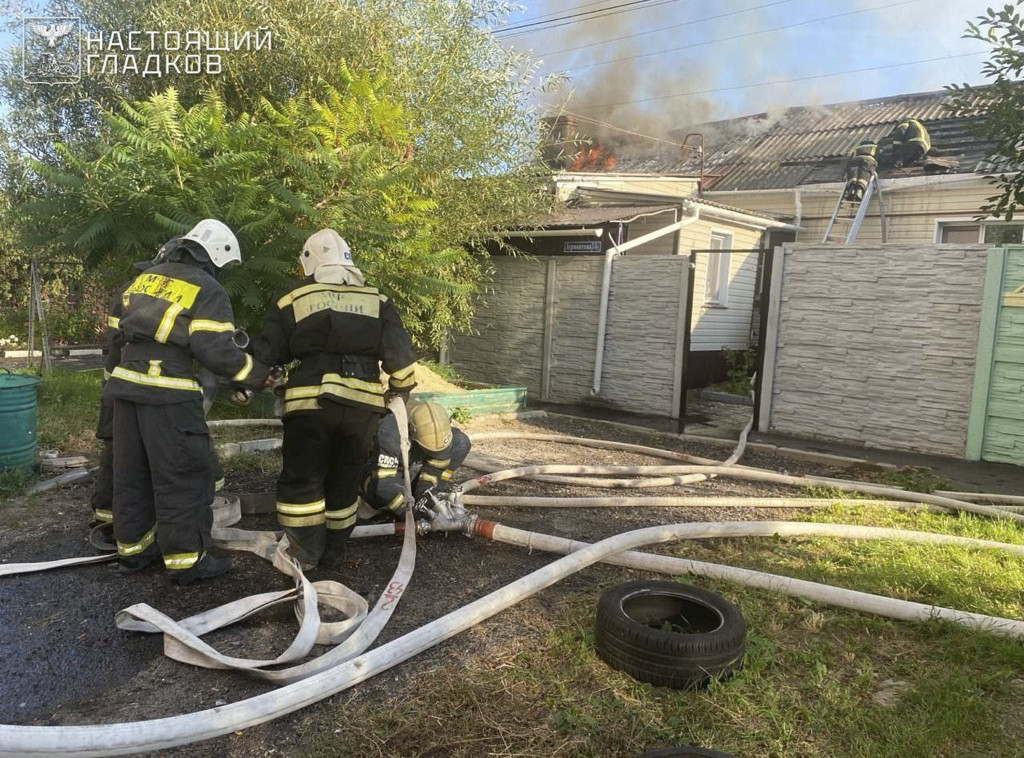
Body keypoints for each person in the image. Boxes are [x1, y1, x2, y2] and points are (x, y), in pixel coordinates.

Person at [103, 219, 270, 585]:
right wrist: (256, 375)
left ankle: (133, 551)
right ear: (214, 257)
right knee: (183, 472)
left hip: (125, 388)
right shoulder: (206, 288)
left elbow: (114, 338)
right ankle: (187, 561)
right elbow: (214, 349)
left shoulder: (143, 280)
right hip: (168, 391)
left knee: (132, 473)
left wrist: (117, 379)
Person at [252, 228, 417, 570]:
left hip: (310, 405)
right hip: (362, 407)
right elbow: (400, 361)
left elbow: (268, 355)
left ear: (309, 262)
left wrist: (255, 379)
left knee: (304, 477)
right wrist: (397, 391)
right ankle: (335, 551)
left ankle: (305, 551)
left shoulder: (292, 299)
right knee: (345, 477)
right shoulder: (378, 300)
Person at [358, 400, 471, 523]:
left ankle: (424, 496)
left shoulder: (435, 426)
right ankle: (378, 506)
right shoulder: (390, 433)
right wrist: (410, 515)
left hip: (409, 455)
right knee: (380, 492)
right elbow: (384, 486)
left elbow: (437, 466)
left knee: (460, 443)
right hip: (373, 469)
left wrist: (425, 494)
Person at [842, 138, 878, 202]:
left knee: (854, 174)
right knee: (864, 174)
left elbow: (850, 160)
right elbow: (879, 156)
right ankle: (859, 192)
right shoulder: (874, 147)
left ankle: (851, 191)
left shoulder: (858, 147)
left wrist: (845, 171)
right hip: (868, 160)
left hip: (855, 160)